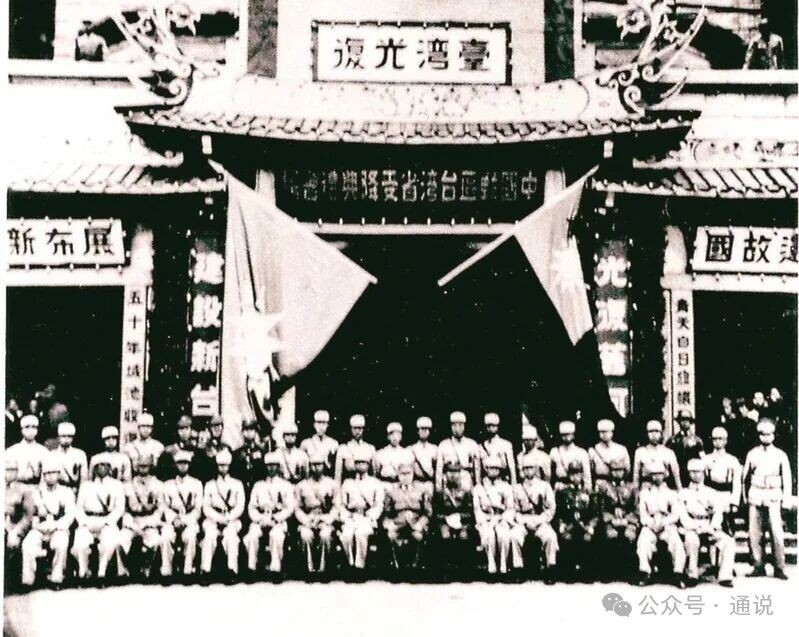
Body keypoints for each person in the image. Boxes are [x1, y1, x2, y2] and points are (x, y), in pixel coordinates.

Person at [742, 418, 791, 579]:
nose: (765, 437)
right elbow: (745, 478)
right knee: (755, 533)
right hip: (756, 495)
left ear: (774, 435)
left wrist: (786, 500)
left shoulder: (780, 455)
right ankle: (758, 565)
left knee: (776, 533)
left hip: (773, 495)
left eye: (768, 434)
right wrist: (745, 497)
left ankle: (779, 566)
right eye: (762, 434)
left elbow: (787, 478)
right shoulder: (752, 454)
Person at [21, 455, 76, 587]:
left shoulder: (66, 492)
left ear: (58, 474)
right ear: (43, 476)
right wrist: (39, 526)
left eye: (53, 473)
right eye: (47, 473)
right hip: (41, 527)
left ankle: (56, 578)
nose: (50, 477)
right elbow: (32, 515)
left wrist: (56, 525)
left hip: (59, 527)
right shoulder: (36, 493)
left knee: (61, 543)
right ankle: (28, 580)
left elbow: (70, 515)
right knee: (27, 544)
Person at [679, 458, 735, 587]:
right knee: (691, 539)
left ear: (703, 473)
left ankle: (725, 576)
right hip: (691, 527)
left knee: (728, 541)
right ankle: (692, 574)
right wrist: (694, 526)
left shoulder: (711, 492)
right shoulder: (683, 493)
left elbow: (718, 512)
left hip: (708, 526)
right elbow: (682, 515)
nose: (695, 475)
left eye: (698, 472)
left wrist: (713, 526)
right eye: (692, 472)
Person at [72, 455, 125, 581]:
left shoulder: (117, 485)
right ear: (94, 468)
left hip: (107, 520)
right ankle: (83, 572)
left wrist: (108, 521)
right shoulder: (86, 486)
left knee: (109, 543)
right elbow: (78, 507)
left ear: (110, 468)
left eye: (105, 465)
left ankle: (102, 572)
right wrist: (84, 522)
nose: (102, 468)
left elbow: (119, 508)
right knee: (80, 544)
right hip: (88, 519)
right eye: (99, 465)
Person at [635, 460, 687, 587]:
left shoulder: (672, 493)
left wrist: (663, 523)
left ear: (665, 475)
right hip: (651, 524)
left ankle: (678, 573)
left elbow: (675, 514)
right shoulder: (644, 493)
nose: (657, 477)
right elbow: (643, 515)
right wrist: (651, 524)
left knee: (676, 542)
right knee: (643, 541)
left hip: (667, 523)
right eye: (653, 474)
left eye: (659, 474)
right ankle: (645, 572)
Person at [243, 453, 295, 575]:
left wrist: (275, 518)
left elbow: (289, 508)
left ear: (278, 467)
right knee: (252, 536)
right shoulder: (258, 485)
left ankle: (275, 569)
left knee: (276, 535)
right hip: (260, 519)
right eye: (268, 465)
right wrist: (259, 519)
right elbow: (251, 507)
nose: (271, 468)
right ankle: (251, 568)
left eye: (274, 465)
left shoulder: (286, 485)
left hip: (278, 520)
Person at [510, 456, 558, 583]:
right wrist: (524, 521)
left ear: (536, 469)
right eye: (525, 468)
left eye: (531, 468)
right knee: (514, 535)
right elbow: (514, 509)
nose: (528, 471)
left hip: (540, 519)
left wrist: (539, 521)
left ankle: (550, 568)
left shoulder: (545, 486)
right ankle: (518, 568)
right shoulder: (517, 487)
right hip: (524, 520)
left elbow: (551, 508)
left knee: (550, 536)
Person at [200, 449, 245, 578]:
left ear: (229, 466)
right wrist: (218, 518)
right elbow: (206, 507)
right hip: (213, 518)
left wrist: (229, 518)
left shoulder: (237, 484)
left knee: (231, 536)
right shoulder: (210, 484)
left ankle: (232, 570)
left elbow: (240, 506)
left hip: (232, 518)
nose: (223, 468)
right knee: (209, 536)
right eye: (220, 465)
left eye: (225, 465)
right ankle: (205, 570)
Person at [118, 455, 165, 578]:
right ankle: (124, 571)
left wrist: (151, 521)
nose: (143, 469)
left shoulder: (158, 484)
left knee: (155, 540)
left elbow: (160, 507)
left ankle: (147, 568)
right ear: (136, 467)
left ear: (150, 467)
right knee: (121, 539)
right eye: (140, 466)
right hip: (133, 520)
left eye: (145, 466)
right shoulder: (128, 485)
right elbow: (124, 509)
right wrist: (131, 524)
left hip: (149, 520)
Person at [337, 450, 384, 572]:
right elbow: (342, 504)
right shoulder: (348, 483)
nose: (360, 466)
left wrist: (370, 515)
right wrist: (346, 516)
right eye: (357, 463)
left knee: (361, 533)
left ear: (368, 465)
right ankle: (350, 565)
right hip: (352, 516)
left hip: (366, 517)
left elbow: (379, 505)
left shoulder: (375, 483)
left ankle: (359, 567)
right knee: (346, 535)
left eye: (363, 463)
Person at [594, 457, 639, 582]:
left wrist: (628, 520)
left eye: (620, 470)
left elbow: (637, 508)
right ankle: (610, 571)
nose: (617, 473)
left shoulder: (632, 487)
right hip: (610, 520)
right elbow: (600, 508)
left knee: (630, 535)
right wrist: (610, 519)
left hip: (628, 520)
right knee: (611, 534)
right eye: (614, 470)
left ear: (625, 471)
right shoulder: (604, 487)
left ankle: (629, 572)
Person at [295, 452, 340, 574]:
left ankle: (323, 570)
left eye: (319, 465)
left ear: (324, 466)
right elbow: (297, 508)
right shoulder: (301, 485)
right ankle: (309, 570)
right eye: (313, 465)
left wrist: (326, 518)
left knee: (325, 535)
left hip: (325, 518)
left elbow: (336, 507)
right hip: (308, 518)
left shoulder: (332, 484)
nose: (316, 468)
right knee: (305, 535)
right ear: (309, 466)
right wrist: (306, 519)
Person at [382, 462, 432, 571]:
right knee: (391, 536)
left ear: (413, 474)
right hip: (398, 524)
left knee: (418, 536)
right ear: (398, 475)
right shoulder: (391, 492)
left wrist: (420, 524)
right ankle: (396, 569)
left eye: (408, 473)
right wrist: (389, 524)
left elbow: (428, 512)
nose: (405, 477)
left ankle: (415, 568)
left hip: (415, 523)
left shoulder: (421, 490)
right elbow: (386, 513)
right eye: (402, 474)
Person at [161, 450, 203, 578]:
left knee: (190, 536)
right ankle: (166, 571)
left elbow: (198, 509)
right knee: (166, 535)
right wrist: (174, 519)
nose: (183, 466)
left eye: (185, 463)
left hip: (189, 520)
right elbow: (164, 506)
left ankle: (187, 571)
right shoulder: (168, 485)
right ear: (175, 465)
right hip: (172, 520)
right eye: (180, 463)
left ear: (189, 465)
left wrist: (184, 520)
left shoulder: (196, 484)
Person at [554, 461, 597, 581]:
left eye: (578, 474)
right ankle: (569, 571)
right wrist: (562, 525)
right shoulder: (563, 493)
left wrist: (591, 527)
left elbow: (595, 513)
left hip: (584, 526)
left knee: (588, 538)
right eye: (572, 474)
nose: (575, 477)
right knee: (567, 539)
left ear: (582, 475)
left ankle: (587, 571)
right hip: (570, 526)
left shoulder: (589, 493)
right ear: (568, 476)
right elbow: (559, 512)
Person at [472, 455, 515, 575]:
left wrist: (502, 519)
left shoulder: (506, 487)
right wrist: (484, 521)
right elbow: (477, 509)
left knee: (504, 536)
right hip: (486, 519)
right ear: (485, 469)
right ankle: (491, 568)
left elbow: (510, 507)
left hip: (501, 518)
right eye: (490, 468)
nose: (493, 471)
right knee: (488, 535)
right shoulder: (478, 488)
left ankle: (503, 567)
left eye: (496, 468)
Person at [433, 461, 474, 576]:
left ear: (460, 474)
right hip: (444, 522)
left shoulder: (466, 492)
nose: (452, 475)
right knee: (445, 535)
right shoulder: (440, 493)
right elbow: (436, 513)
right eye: (449, 472)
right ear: (445, 474)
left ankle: (464, 570)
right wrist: (446, 518)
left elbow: (470, 512)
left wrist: (459, 517)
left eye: (456, 472)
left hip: (462, 522)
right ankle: (446, 570)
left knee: (464, 536)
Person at [704, 426, 742, 534]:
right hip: (711, 493)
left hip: (726, 494)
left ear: (725, 441)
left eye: (720, 439)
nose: (717, 442)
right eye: (714, 439)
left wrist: (734, 503)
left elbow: (737, 483)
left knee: (726, 526)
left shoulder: (732, 460)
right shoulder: (706, 459)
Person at [5, 458, 33, 586]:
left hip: (15, 525)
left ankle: (13, 582)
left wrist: (16, 530)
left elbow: (28, 516)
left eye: (13, 470)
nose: (10, 473)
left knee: (13, 542)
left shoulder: (23, 490)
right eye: (7, 470)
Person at [436, 411, 480, 491]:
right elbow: (439, 469)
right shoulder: (443, 445)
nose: (457, 428)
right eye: (454, 425)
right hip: (448, 483)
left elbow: (477, 469)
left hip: (466, 482)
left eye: (460, 425)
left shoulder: (472, 444)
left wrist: (478, 487)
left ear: (464, 426)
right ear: (451, 427)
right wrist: (438, 488)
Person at [632, 420, 681, 490]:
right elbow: (636, 475)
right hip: (646, 487)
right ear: (647, 434)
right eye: (651, 432)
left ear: (661, 433)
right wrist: (635, 491)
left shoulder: (668, 452)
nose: (654, 434)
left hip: (663, 487)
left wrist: (680, 490)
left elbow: (676, 475)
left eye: (657, 431)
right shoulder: (640, 452)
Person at [6, 414, 48, 488]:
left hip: (37, 488)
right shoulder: (11, 451)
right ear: (22, 430)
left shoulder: (44, 451)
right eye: (27, 427)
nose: (30, 430)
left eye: (34, 427)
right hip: (16, 488)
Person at [334, 414, 377, 485]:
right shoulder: (343, 448)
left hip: (367, 485)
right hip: (349, 485)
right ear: (351, 429)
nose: (357, 431)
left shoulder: (370, 448)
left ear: (363, 429)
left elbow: (374, 474)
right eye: (355, 428)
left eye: (360, 428)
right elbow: (338, 476)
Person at [550, 421, 591, 491]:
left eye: (569, 434)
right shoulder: (554, 452)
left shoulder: (581, 452)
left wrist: (587, 488)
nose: (566, 437)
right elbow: (549, 472)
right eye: (563, 435)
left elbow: (586, 474)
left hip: (577, 486)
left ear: (573, 435)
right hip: (560, 486)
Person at [588, 419, 630, 486]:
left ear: (612, 432)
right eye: (601, 432)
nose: (604, 434)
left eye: (606, 432)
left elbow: (627, 469)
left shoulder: (621, 449)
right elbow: (590, 470)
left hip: (619, 483)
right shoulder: (593, 451)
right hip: (601, 483)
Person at [668, 411, 705, 486]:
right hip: (676, 475)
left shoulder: (697, 440)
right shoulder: (672, 440)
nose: (684, 422)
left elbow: (702, 459)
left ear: (690, 422)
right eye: (682, 420)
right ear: (679, 422)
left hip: (692, 475)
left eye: (687, 420)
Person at [479, 413, 517, 485]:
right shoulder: (481, 446)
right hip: (486, 481)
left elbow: (511, 467)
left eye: (493, 426)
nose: (491, 429)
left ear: (497, 427)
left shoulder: (505, 444)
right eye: (488, 426)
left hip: (501, 480)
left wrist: (513, 484)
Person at [51, 422, 88, 494]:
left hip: (74, 491)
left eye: (69, 436)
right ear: (58, 437)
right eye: (63, 436)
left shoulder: (80, 454)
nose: (66, 439)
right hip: (57, 492)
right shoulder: (52, 455)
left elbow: (84, 479)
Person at [300, 410, 339, 476]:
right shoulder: (306, 443)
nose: (321, 426)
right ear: (314, 425)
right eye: (318, 423)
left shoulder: (333, 443)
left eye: (323, 423)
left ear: (327, 425)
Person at [231, 419, 265, 493]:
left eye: (251, 429)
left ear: (255, 432)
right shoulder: (237, 453)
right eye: (246, 430)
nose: (249, 432)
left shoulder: (262, 452)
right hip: (241, 488)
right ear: (242, 432)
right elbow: (233, 472)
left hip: (258, 488)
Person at [157, 415, 195, 480]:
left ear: (191, 430)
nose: (184, 432)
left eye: (187, 428)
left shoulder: (196, 450)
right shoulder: (170, 450)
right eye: (181, 429)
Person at [407, 416, 437, 496]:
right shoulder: (411, 449)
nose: (424, 431)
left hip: (429, 483)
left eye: (426, 429)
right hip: (416, 483)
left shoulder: (434, 449)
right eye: (422, 429)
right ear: (418, 431)